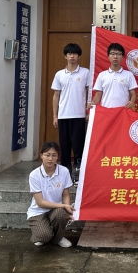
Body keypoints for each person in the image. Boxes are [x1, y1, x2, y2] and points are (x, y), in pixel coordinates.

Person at [51, 43, 91, 183]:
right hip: (63, 115)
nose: (72, 56)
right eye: (69, 54)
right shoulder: (59, 74)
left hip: (79, 115)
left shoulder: (85, 73)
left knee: (79, 145)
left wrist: (88, 112)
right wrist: (55, 116)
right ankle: (65, 173)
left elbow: (90, 93)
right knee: (65, 145)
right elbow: (56, 96)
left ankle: (78, 173)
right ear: (65, 56)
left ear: (79, 56)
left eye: (74, 54)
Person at [27, 142, 74, 248]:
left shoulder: (64, 171)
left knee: (61, 213)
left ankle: (59, 238)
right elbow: (40, 203)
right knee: (44, 236)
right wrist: (63, 205)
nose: (50, 158)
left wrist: (68, 209)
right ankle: (44, 234)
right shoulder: (34, 175)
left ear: (58, 157)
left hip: (56, 210)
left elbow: (65, 195)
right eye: (47, 155)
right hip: (38, 211)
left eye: (54, 155)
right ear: (41, 155)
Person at [90, 43, 138, 109]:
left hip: (122, 111)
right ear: (108, 56)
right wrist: (92, 104)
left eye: (118, 54)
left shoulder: (129, 75)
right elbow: (98, 95)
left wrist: (132, 102)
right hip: (106, 111)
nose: (115, 57)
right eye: (112, 54)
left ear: (122, 57)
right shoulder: (102, 75)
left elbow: (133, 94)